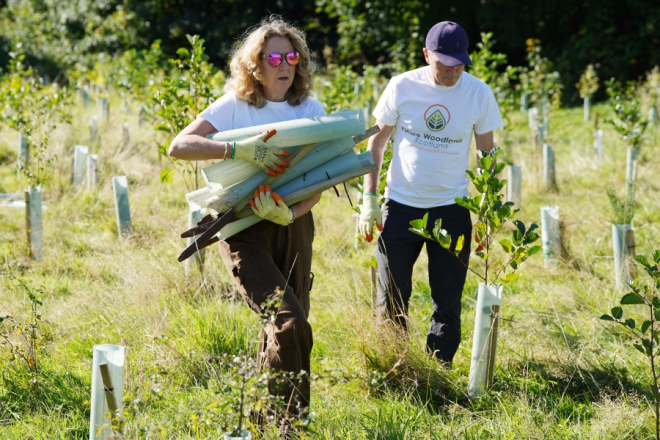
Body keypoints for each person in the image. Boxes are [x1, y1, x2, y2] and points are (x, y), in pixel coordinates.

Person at [168, 16, 325, 418]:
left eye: (292, 55)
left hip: (292, 224)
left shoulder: (310, 108)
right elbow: (179, 146)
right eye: (273, 57)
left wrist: (288, 212)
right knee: (289, 324)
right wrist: (238, 151)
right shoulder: (236, 107)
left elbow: (321, 178)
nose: (284, 64)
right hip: (240, 227)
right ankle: (290, 424)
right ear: (254, 64)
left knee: (287, 325)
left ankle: (260, 416)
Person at [359, 21, 503, 365]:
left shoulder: (478, 93)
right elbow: (376, 143)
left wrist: (486, 211)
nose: (452, 73)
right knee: (391, 296)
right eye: (443, 65)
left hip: (452, 210)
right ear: (427, 55)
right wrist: (369, 199)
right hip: (401, 208)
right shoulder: (402, 86)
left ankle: (439, 369)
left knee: (448, 301)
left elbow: (487, 154)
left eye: (459, 65)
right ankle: (393, 366)